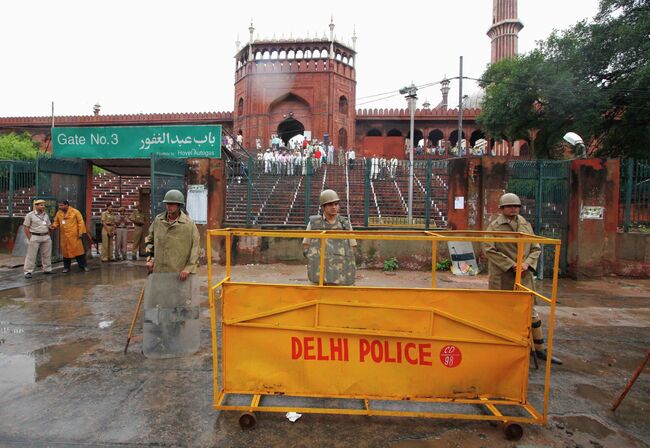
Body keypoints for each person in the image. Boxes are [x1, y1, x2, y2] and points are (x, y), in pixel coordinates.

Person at [481, 193, 562, 365]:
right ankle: (502, 349)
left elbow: (535, 247)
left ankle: (540, 350)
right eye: (510, 206)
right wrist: (511, 264)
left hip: (524, 276)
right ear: (502, 208)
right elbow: (489, 249)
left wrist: (527, 264)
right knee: (501, 312)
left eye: (516, 206)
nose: (514, 209)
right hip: (503, 277)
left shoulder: (525, 225)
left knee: (530, 312)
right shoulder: (494, 227)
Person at [302, 189, 356, 285]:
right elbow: (306, 245)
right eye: (330, 205)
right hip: (319, 271)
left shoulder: (345, 223)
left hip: (341, 272)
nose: (334, 207)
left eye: (336, 204)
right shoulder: (314, 223)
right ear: (323, 206)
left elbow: (352, 247)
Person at [145, 189, 199, 281]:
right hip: (159, 271)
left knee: (176, 295)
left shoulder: (189, 224)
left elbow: (195, 247)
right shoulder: (158, 220)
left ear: (179, 206)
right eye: (167, 204)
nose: (169, 207)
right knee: (159, 294)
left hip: (178, 273)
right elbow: (149, 240)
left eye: (172, 204)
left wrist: (188, 268)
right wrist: (150, 259)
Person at [50, 200, 89, 273]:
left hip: (75, 236)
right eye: (59, 205)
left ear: (67, 205)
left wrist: (80, 232)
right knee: (66, 253)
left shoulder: (75, 212)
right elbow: (56, 221)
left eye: (61, 205)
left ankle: (83, 266)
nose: (59, 207)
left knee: (79, 252)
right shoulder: (59, 213)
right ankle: (66, 267)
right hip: (64, 237)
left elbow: (81, 222)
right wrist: (54, 226)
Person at [23, 199, 52, 278]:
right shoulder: (30, 215)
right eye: (41, 205)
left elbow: (49, 225)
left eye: (44, 205)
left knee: (46, 254)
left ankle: (47, 269)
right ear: (36, 206)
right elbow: (26, 227)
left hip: (45, 236)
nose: (43, 206)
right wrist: (30, 238)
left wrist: (48, 235)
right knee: (31, 255)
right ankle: (28, 271)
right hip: (35, 236)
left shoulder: (46, 215)